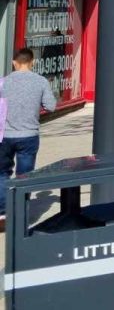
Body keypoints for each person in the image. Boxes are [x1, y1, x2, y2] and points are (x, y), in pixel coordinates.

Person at [0, 48, 57, 223]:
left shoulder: (3, 82)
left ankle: (3, 211)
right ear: (32, 62)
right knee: (25, 176)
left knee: (2, 172)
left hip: (4, 136)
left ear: (14, 63)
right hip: (29, 136)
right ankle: (21, 213)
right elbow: (51, 106)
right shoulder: (41, 82)